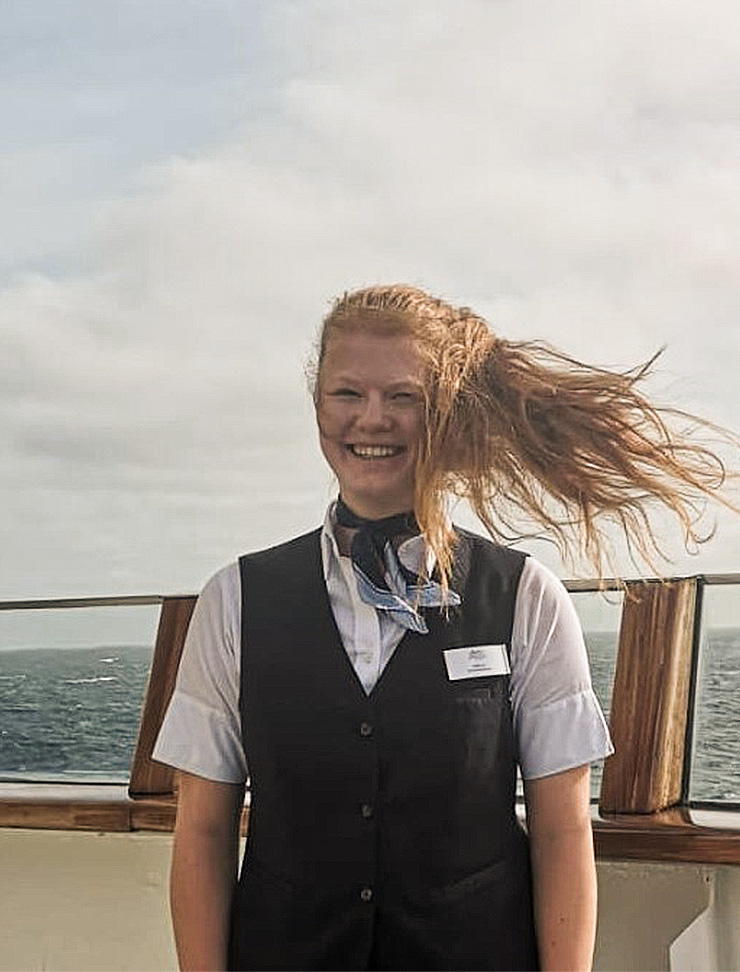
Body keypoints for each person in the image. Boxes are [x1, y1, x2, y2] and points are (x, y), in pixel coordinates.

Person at [153, 284, 733, 972]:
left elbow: (561, 828)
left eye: (404, 397)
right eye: (347, 394)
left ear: (450, 416)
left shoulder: (524, 597)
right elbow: (204, 827)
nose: (372, 419)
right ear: (318, 407)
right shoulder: (236, 601)